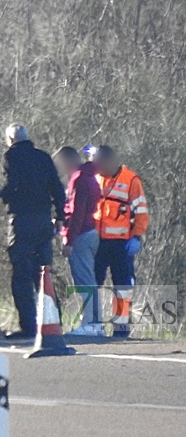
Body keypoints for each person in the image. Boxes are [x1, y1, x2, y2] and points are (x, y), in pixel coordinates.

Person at [0, 124, 66, 340]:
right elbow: (57, 189)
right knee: (43, 273)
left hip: (21, 221)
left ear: (10, 139)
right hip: (43, 221)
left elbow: (10, 185)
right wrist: (60, 216)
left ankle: (29, 326)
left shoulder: (11, 157)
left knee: (21, 274)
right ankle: (52, 323)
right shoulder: (43, 157)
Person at [91, 145, 149, 338]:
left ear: (110, 161)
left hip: (121, 244)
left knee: (122, 286)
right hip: (98, 242)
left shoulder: (131, 180)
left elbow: (141, 211)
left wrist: (137, 236)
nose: (97, 167)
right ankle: (93, 325)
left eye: (100, 163)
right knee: (93, 283)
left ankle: (121, 328)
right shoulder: (96, 178)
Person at [53, 146, 103, 336]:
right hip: (89, 232)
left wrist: (69, 241)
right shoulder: (89, 176)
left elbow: (76, 213)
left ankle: (91, 323)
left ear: (68, 161)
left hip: (81, 235)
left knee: (84, 281)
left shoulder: (79, 179)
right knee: (87, 280)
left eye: (60, 164)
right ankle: (93, 323)